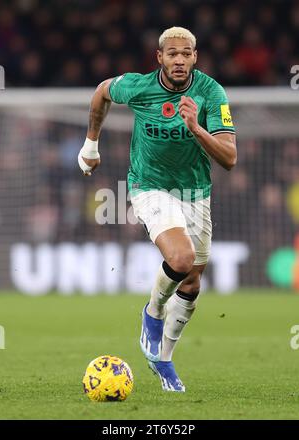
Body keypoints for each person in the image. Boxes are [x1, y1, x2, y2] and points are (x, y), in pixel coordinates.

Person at [78, 27, 237, 392]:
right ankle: (152, 313)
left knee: (193, 281)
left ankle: (164, 360)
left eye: (186, 54)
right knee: (180, 260)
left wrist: (196, 127)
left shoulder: (211, 94)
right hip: (149, 187)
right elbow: (103, 91)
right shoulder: (138, 86)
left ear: (196, 57)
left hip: (196, 193)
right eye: (172, 54)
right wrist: (90, 145)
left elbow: (229, 158)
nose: (179, 60)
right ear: (159, 58)